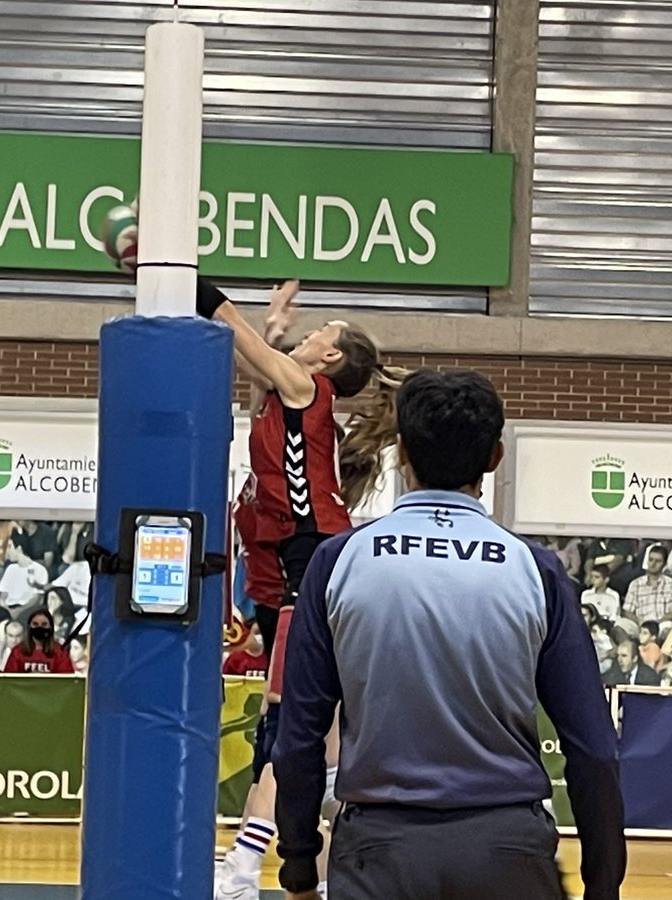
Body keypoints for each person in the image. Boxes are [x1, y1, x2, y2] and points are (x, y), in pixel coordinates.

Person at [272, 369, 625, 900]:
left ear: (401, 450)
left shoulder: (337, 561)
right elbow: (593, 749)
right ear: (495, 457)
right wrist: (604, 886)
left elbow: (298, 735)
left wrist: (299, 863)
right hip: (507, 854)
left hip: (378, 856)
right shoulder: (537, 571)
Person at [202, 279, 404, 900]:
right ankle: (326, 861)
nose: (312, 333)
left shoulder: (305, 387)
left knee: (288, 727)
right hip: (300, 564)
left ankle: (242, 868)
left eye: (322, 331)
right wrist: (274, 330)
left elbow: (226, 328)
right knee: (318, 735)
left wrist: (166, 266)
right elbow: (253, 363)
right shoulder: (287, 389)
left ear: (330, 358)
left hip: (317, 563)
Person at [3, 608, 75, 674]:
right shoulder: (17, 651)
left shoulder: (60, 652)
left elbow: (66, 682)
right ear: (29, 627)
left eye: (44, 624)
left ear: (50, 627)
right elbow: (9, 681)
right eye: (35, 624)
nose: (39, 627)